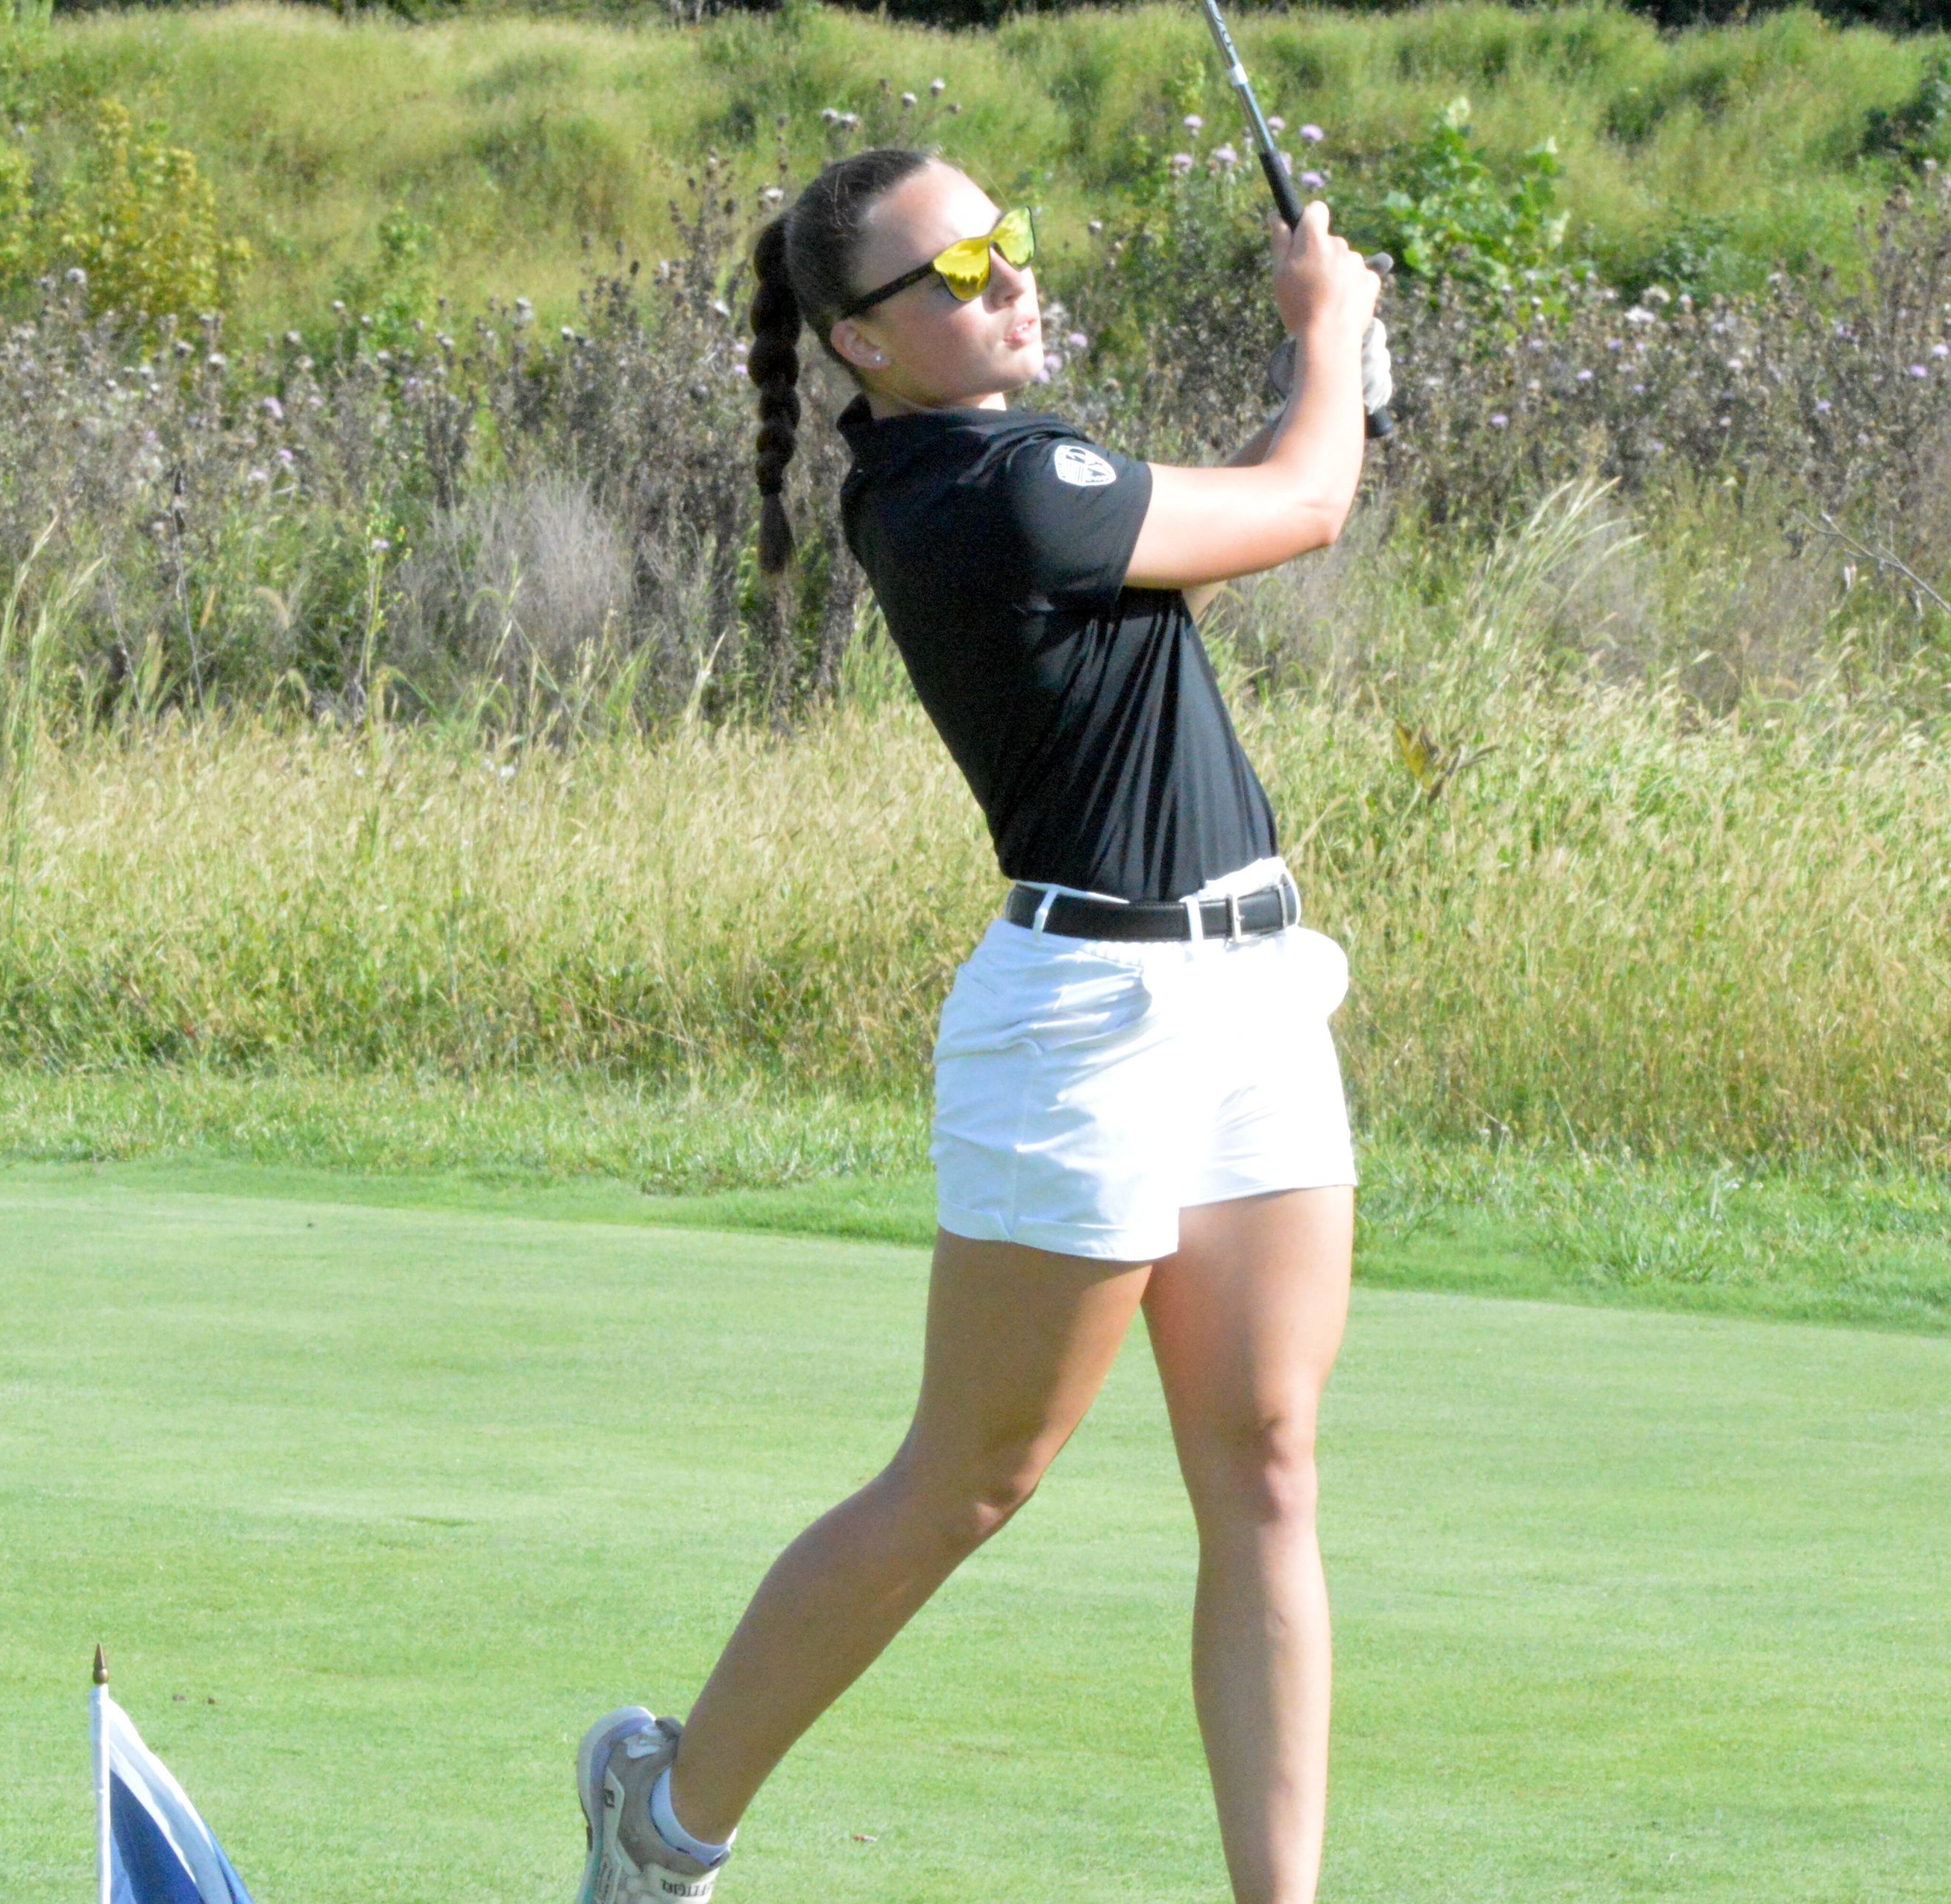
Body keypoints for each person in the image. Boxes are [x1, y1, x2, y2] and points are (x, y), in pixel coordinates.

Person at [571, 145, 1386, 1904]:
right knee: (977, 1474)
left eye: (1010, 239)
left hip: (1253, 987)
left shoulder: (1011, 455)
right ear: (860, 344)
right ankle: (668, 1810)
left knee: (1267, 1456)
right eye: (954, 271)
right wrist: (1330, 329)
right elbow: (1307, 499)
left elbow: (1285, 478)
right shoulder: (992, 485)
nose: (1007, 278)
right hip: (1088, 1017)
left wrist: (1331, 368)